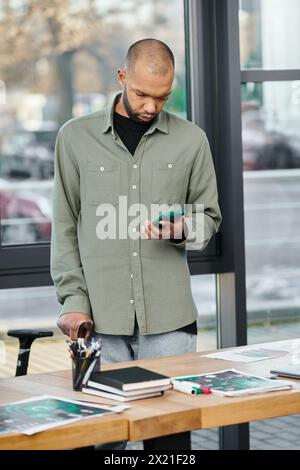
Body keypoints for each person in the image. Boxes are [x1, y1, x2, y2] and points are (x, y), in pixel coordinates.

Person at [50, 38, 222, 450]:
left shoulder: (191, 140)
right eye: (142, 94)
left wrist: (181, 227)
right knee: (105, 442)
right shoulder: (74, 139)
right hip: (100, 323)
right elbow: (65, 225)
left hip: (170, 323)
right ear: (123, 77)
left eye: (161, 97)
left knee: (168, 445)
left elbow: (209, 216)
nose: (150, 107)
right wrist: (73, 300)